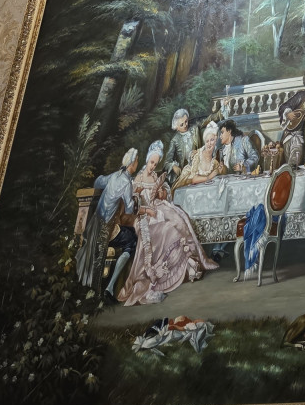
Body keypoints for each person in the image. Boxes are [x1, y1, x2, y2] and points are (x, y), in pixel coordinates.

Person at [118, 140, 218, 306]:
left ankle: (187, 264)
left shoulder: (155, 176)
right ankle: (163, 273)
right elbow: (133, 206)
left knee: (179, 220)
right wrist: (144, 204)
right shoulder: (137, 180)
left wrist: (162, 193)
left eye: (156, 163)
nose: (153, 166)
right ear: (147, 160)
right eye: (151, 162)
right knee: (167, 229)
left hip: (158, 209)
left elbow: (163, 195)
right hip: (144, 216)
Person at [75, 148, 139, 302]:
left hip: (95, 225)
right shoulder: (126, 182)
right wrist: (136, 198)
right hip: (108, 230)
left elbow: (98, 181)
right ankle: (110, 287)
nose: (137, 163)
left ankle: (110, 287)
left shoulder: (115, 175)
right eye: (137, 161)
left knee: (129, 232)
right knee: (133, 240)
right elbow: (129, 209)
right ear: (132, 164)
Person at [174, 121, 227, 187]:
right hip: (188, 187)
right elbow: (194, 179)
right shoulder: (198, 156)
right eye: (207, 141)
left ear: (216, 141)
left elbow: (220, 173)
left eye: (212, 140)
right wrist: (209, 177)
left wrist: (222, 169)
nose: (209, 144)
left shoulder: (214, 161)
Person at [164, 108, 200, 184]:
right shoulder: (175, 140)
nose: (185, 125)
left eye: (186, 121)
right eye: (181, 125)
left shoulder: (194, 129)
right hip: (185, 173)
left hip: (199, 167)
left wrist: (198, 152)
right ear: (176, 128)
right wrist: (173, 166)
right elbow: (167, 162)